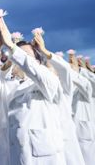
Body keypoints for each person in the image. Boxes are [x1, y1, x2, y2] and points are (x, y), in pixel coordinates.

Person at [0, 17, 65, 165]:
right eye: (17, 56)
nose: (19, 59)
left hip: (41, 158)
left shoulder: (48, 81)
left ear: (38, 62)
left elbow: (36, 71)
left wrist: (11, 46)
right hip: (10, 158)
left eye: (25, 56)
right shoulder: (6, 86)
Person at [33, 32, 85, 165]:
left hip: (66, 143)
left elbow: (65, 70)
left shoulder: (65, 89)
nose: (49, 74)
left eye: (52, 70)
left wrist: (44, 51)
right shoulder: (37, 90)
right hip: (46, 146)